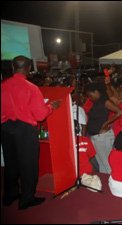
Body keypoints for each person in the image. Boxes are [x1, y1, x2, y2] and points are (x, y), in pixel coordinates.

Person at [1, 55, 60, 210]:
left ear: (13, 67)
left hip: (6, 128)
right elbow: (40, 115)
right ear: (28, 68)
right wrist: (51, 107)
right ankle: (26, 199)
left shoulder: (3, 85)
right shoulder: (31, 88)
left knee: (11, 163)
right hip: (25, 131)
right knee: (29, 165)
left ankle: (10, 195)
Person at [85, 82, 122, 174]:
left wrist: (107, 123)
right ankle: (106, 182)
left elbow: (120, 112)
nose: (90, 98)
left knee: (107, 163)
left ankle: (112, 181)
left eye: (90, 95)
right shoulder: (97, 102)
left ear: (96, 91)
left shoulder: (104, 101)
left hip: (102, 136)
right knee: (102, 163)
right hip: (96, 136)